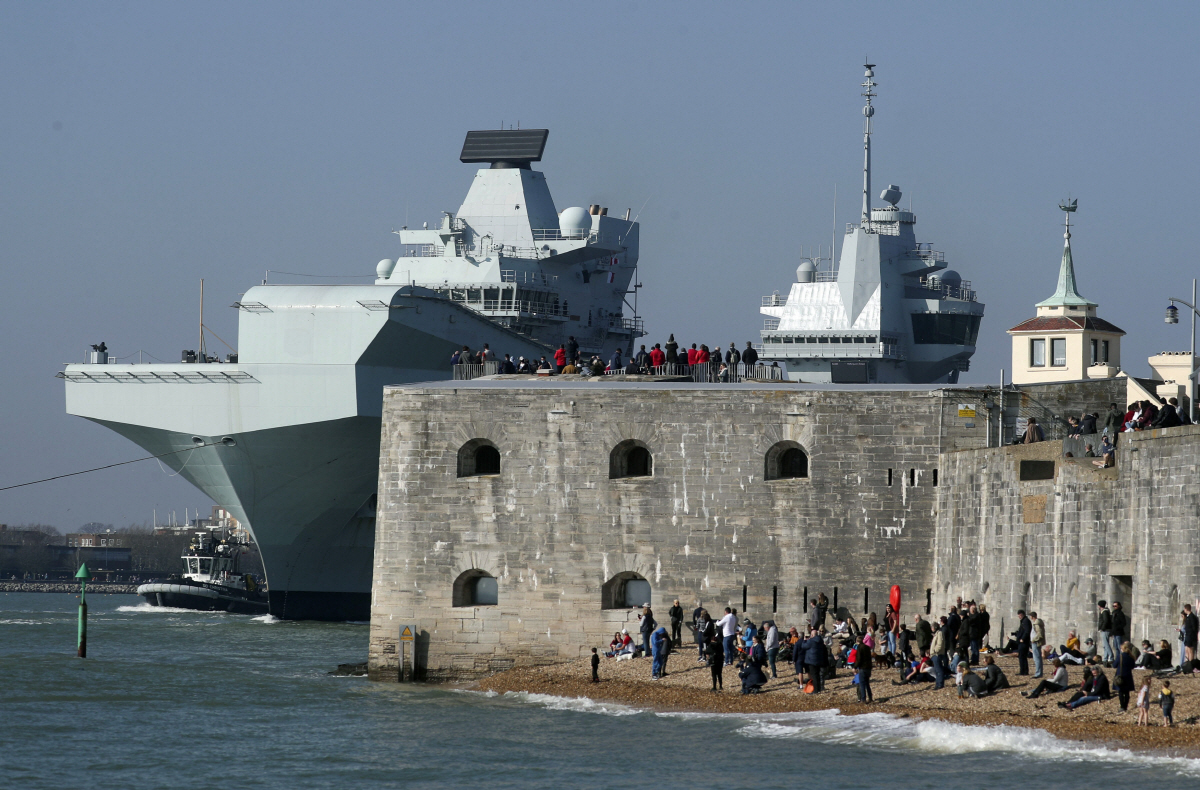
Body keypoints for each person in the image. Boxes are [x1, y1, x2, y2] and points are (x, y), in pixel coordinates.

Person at [1115, 640, 1136, 711]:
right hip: (1128, 676)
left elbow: (1114, 665)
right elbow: (1133, 666)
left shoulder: (1120, 656)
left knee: (1121, 692)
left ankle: (1122, 706)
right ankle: (1125, 706)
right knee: (1127, 692)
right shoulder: (1131, 656)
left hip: (1120, 675)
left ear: (1123, 649)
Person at [853, 635, 873, 702]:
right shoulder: (867, 647)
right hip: (868, 667)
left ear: (857, 641)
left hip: (863, 668)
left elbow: (859, 659)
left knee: (862, 684)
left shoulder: (859, 647)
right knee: (867, 684)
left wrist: (855, 667)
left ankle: (863, 699)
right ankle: (870, 698)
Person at [1110, 602, 1129, 667]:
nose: (1114, 607)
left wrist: (1117, 628)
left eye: (1115, 606)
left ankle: (1121, 660)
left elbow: (1123, 623)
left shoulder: (1120, 614)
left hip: (1118, 632)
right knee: (1116, 647)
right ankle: (1117, 660)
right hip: (1114, 633)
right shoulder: (1113, 613)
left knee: (1120, 647)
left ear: (1119, 606)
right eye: (1113, 606)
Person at [1013, 609, 1032, 676]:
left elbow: (1027, 631)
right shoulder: (1023, 621)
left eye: (1019, 615)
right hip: (1022, 642)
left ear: (1022, 614)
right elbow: (1022, 631)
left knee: (1022, 657)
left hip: (1024, 642)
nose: (1019, 616)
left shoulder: (1026, 621)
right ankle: (1024, 671)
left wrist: (1023, 639)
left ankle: (1023, 671)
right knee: (1022, 656)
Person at [1096, 600, 1113, 665]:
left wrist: (1102, 628)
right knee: (1105, 645)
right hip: (1105, 629)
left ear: (1100, 605)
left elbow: (1106, 621)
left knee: (1106, 644)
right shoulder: (1103, 611)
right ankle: (1105, 658)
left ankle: (1111, 657)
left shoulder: (1105, 612)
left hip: (1105, 630)